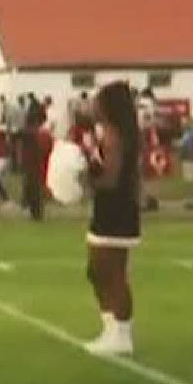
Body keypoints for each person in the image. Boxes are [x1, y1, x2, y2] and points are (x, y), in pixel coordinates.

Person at [82, 82, 144, 356]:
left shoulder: (115, 136)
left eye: (98, 101)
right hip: (112, 208)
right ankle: (111, 330)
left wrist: (84, 177)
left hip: (116, 209)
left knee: (111, 273)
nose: (93, 105)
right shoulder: (112, 133)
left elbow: (110, 179)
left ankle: (121, 334)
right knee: (97, 272)